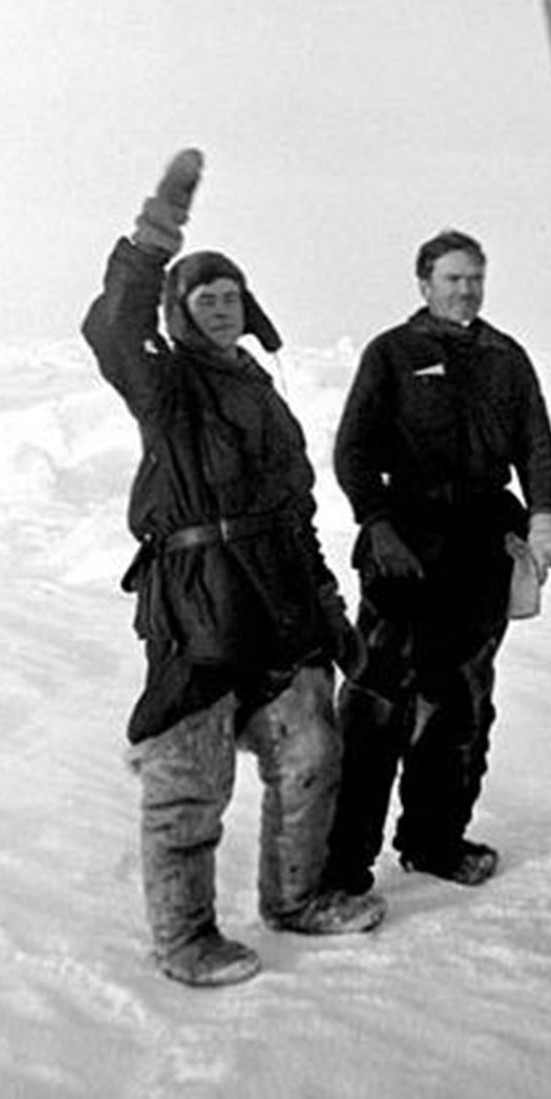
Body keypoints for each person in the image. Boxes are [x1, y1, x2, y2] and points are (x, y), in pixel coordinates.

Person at [81, 150, 385, 988]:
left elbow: (296, 511)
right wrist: (157, 232)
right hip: (197, 603)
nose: (220, 307)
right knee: (191, 775)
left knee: (313, 748)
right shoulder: (167, 385)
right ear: (180, 314)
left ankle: (296, 897)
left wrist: (327, 606)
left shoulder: (263, 391)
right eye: (203, 298)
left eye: (230, 297)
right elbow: (114, 323)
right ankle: (184, 939)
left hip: (279, 597)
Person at [322, 230, 551, 892]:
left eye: (475, 278)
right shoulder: (393, 353)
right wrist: (377, 523)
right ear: (424, 283)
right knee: (378, 704)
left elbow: (535, 444)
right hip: (405, 549)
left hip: (482, 550)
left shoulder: (505, 358)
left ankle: (434, 839)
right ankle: (340, 863)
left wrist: (542, 513)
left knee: (461, 704)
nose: (466, 289)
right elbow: (352, 451)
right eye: (453, 278)